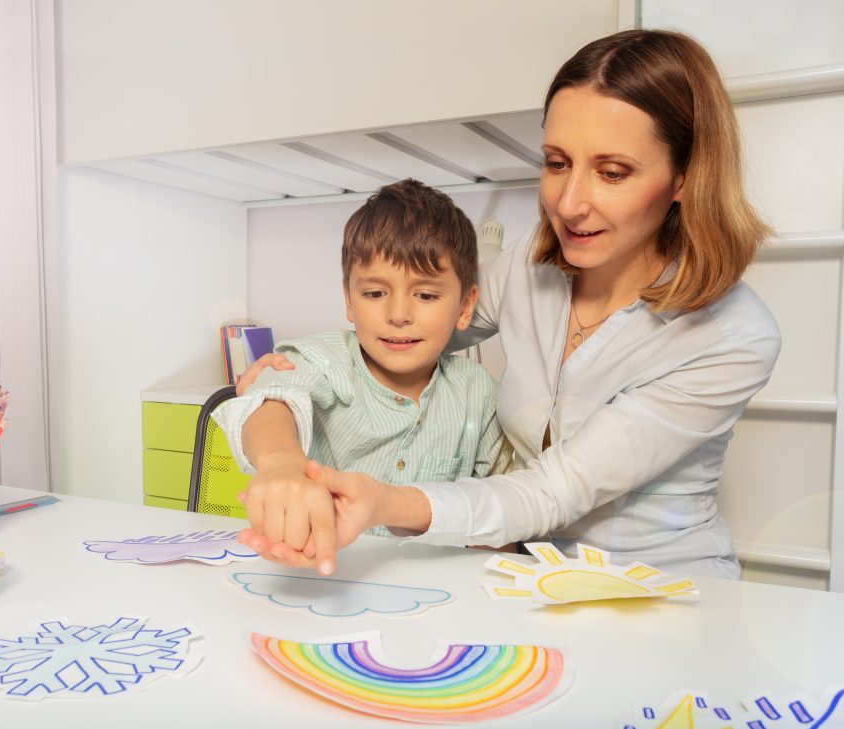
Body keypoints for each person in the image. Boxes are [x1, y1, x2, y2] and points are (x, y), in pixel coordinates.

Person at [233, 28, 782, 580]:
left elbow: (554, 491)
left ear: (686, 177)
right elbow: (412, 326)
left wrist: (387, 503)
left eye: (613, 172)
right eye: (557, 162)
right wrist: (287, 383)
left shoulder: (733, 337)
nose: (568, 204)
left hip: (664, 587)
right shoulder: (530, 265)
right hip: (524, 579)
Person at [212, 179, 504, 565]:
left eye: (427, 295)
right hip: (321, 575)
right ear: (349, 299)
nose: (398, 315)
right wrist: (281, 462)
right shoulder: (326, 359)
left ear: (465, 306)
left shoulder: (478, 393)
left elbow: (494, 513)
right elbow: (273, 396)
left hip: (433, 590)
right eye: (375, 294)